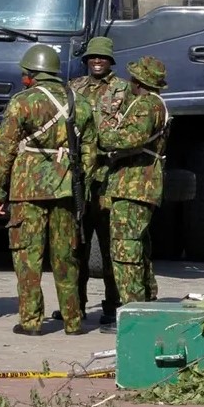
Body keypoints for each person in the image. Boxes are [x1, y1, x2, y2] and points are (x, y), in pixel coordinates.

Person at [0, 44, 96, 336]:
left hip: (27, 190)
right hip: (66, 189)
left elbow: (5, 151)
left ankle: (31, 321)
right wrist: (80, 185)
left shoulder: (21, 102)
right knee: (67, 256)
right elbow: (89, 151)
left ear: (32, 74)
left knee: (27, 256)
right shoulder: (80, 102)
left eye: (26, 74)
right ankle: (73, 320)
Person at [50, 36, 127, 326]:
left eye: (102, 57)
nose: (97, 61)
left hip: (108, 177)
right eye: (92, 57)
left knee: (110, 247)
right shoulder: (74, 88)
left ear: (110, 61)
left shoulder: (122, 90)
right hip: (79, 177)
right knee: (76, 245)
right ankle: (76, 305)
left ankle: (112, 304)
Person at [96, 56, 170, 334]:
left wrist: (103, 132)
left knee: (125, 249)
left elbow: (130, 138)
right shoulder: (153, 104)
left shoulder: (147, 105)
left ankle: (132, 313)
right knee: (139, 247)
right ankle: (146, 302)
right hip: (138, 185)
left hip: (134, 185)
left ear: (139, 82)